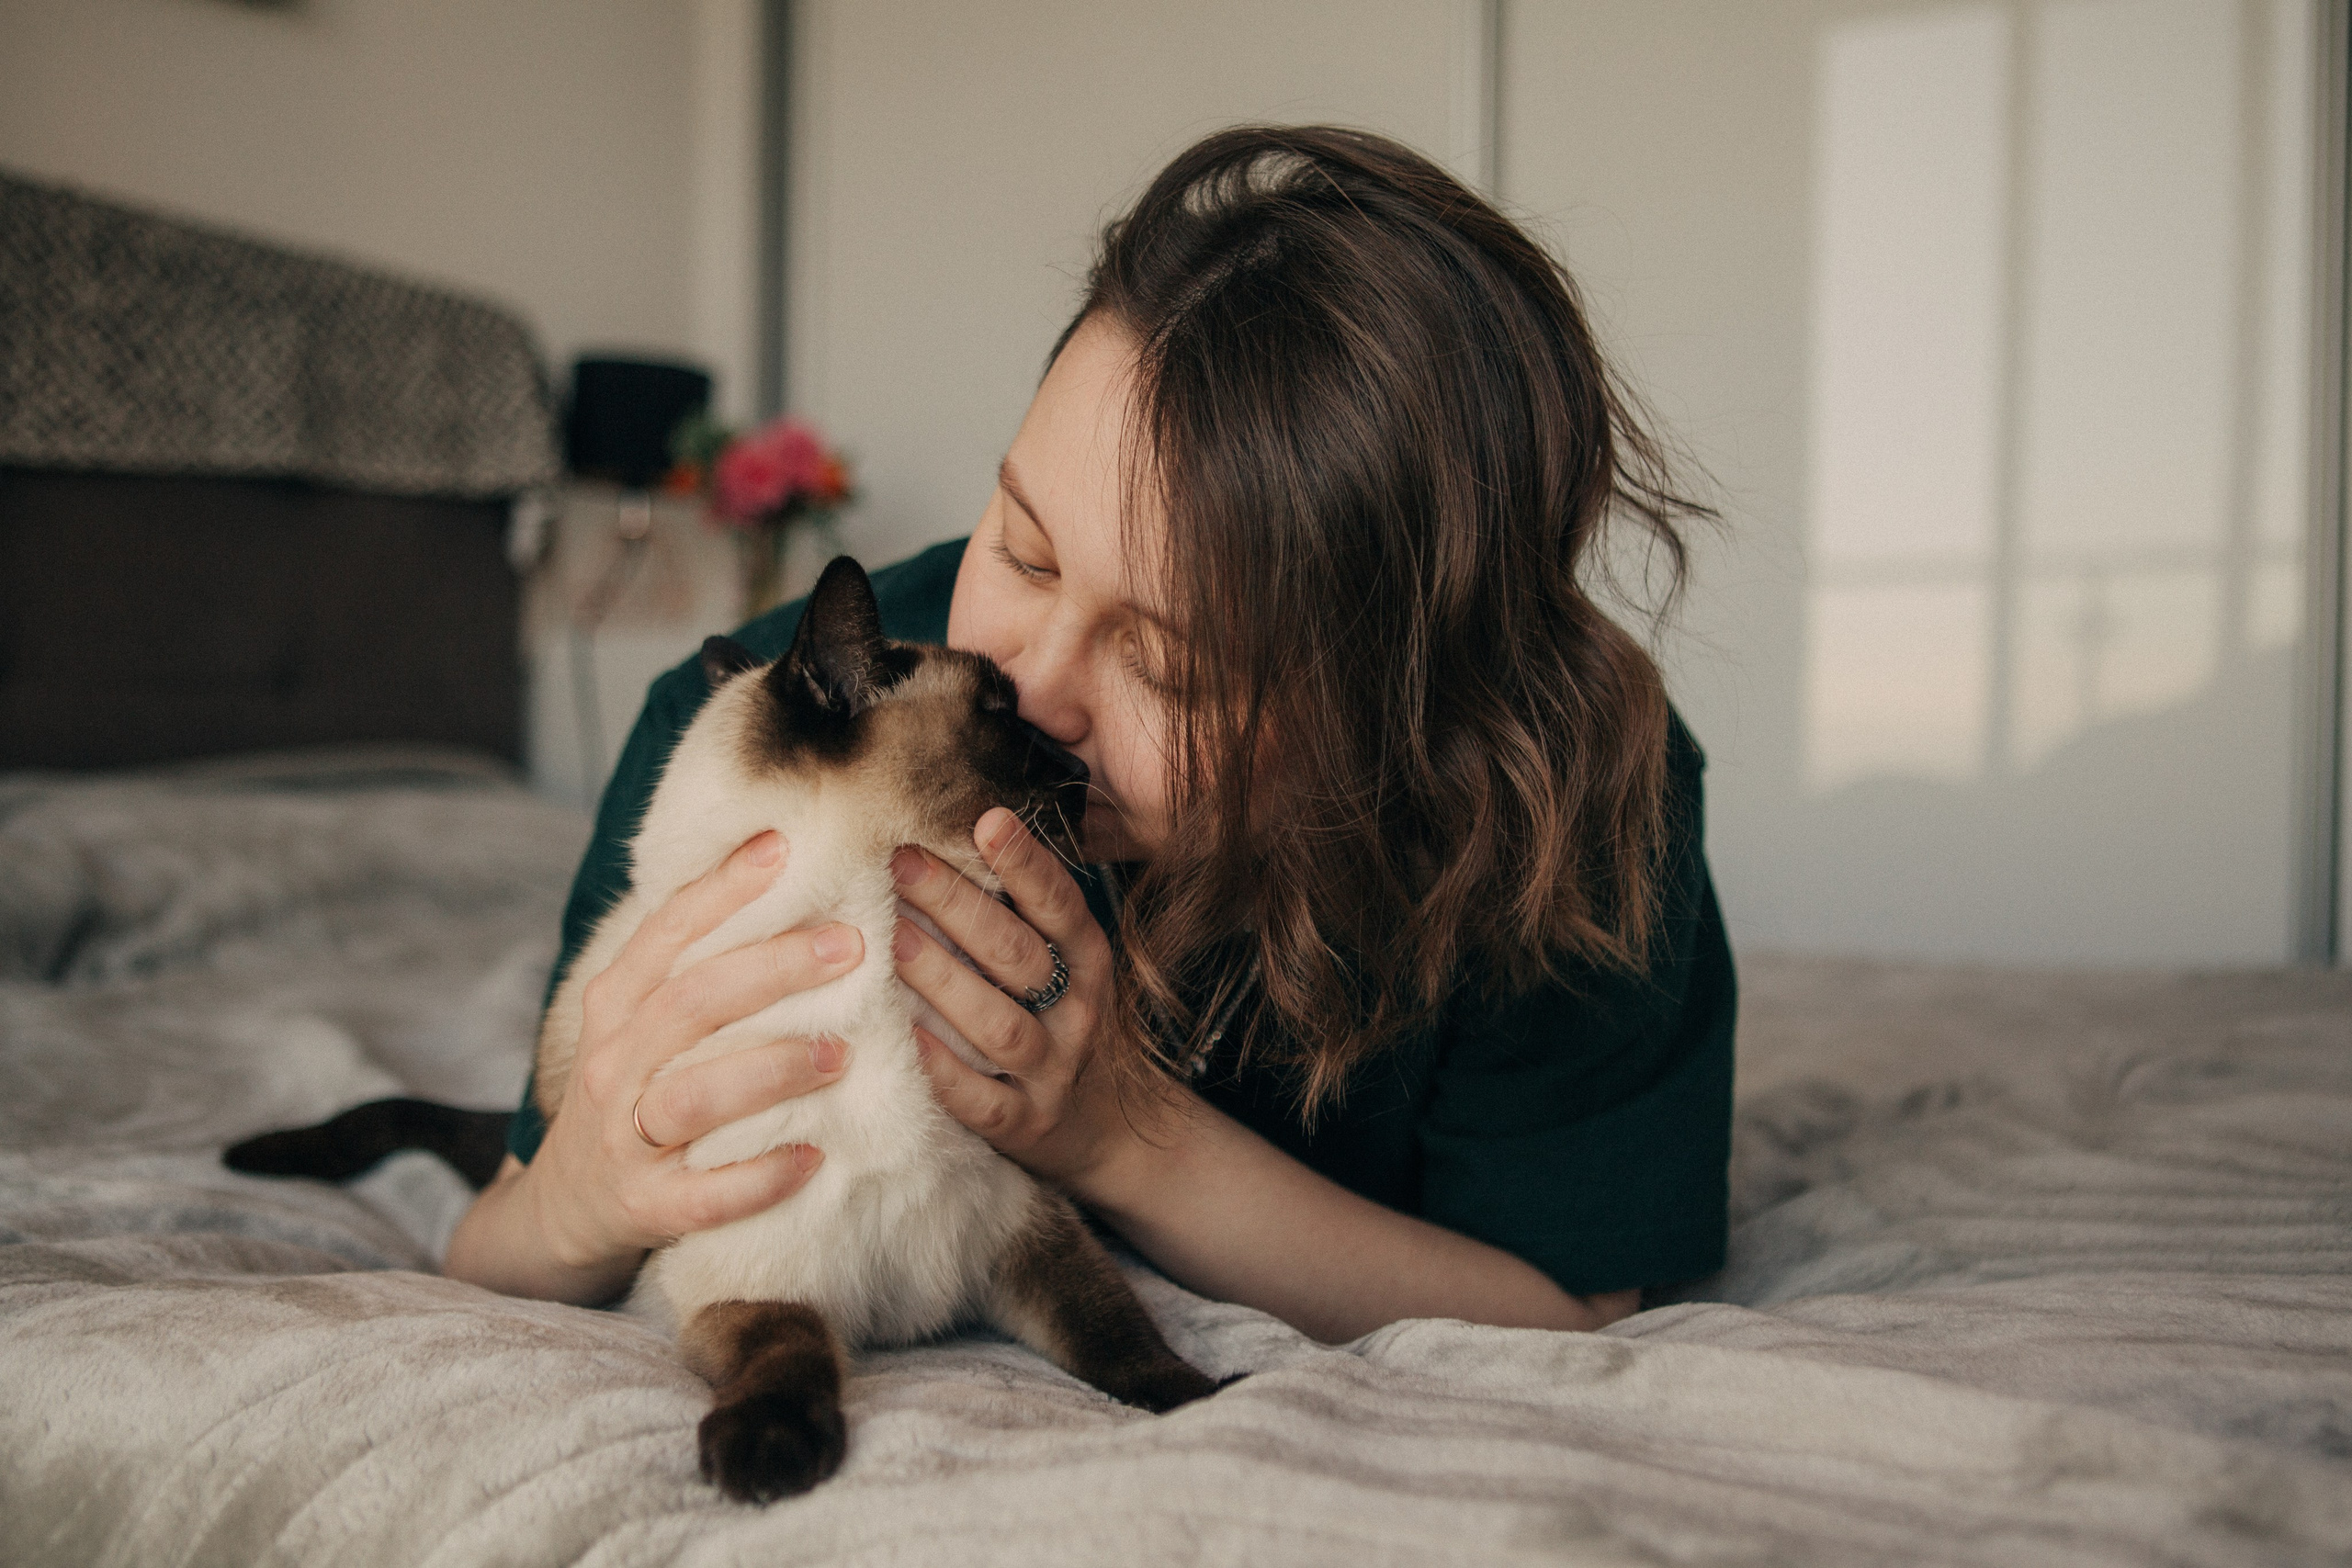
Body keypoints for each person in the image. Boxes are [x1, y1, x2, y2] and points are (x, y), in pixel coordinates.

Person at [444, 125, 1735, 1343]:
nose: (1027, 679)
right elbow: (496, 1242)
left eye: (1169, 666)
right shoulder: (748, 745)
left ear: (1395, 723)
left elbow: (1569, 1316)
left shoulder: (1564, 792)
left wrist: (1120, 1136)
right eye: (1022, 545)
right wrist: (574, 1205)